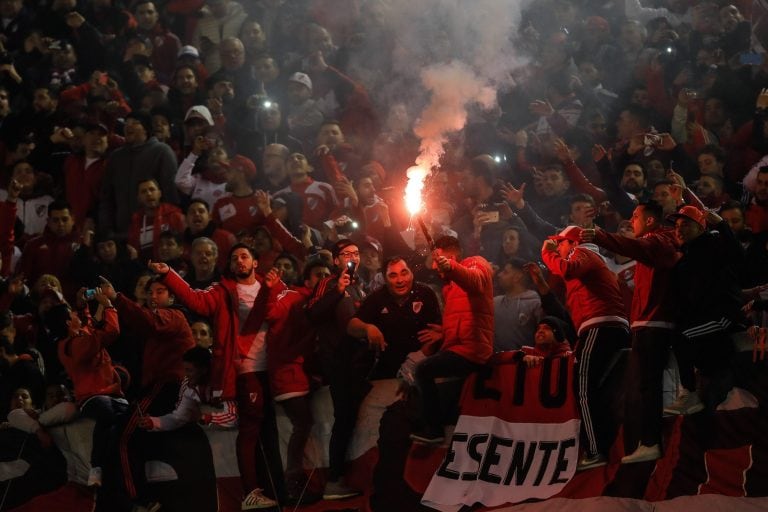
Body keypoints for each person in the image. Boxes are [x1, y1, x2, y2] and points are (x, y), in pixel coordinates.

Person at [149, 244, 283, 510]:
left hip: (276, 369)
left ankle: (275, 488)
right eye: (234, 258)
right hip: (246, 370)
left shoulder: (274, 286)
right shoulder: (222, 291)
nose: (239, 261)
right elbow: (195, 300)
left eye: (244, 256)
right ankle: (252, 492)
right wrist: (168, 275)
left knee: (270, 431)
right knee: (250, 430)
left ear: (255, 262)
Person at [580, 201, 680, 464]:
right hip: (648, 323)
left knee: (646, 386)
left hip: (653, 323)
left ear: (649, 221)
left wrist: (602, 236)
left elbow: (634, 246)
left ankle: (650, 442)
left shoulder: (657, 241)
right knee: (644, 385)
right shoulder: (659, 243)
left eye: (635, 216)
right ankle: (647, 441)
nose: (631, 221)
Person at [541, 225, 629, 470]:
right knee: (595, 388)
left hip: (600, 326)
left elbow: (567, 269)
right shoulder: (592, 259)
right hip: (605, 326)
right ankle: (602, 444)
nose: (558, 247)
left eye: (561, 243)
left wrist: (548, 255)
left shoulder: (584, 253)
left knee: (582, 386)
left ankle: (594, 450)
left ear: (572, 243)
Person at [411, 235, 494, 444]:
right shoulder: (449, 287)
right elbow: (463, 319)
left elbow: (474, 281)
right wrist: (445, 332)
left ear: (452, 256)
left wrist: (450, 267)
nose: (437, 269)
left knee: (422, 370)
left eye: (440, 262)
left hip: (472, 350)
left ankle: (434, 430)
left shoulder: (475, 263)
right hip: (459, 348)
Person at [667, 206, 748, 411]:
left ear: (701, 227)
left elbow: (738, 255)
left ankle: (688, 392)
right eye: (677, 225)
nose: (679, 229)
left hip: (722, 316)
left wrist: (721, 224)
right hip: (705, 322)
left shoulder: (712, 243)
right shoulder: (683, 259)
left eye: (686, 224)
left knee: (681, 335)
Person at [306, 239, 368, 499]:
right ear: (335, 260)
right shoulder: (329, 283)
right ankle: (334, 479)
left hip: (357, 361)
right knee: (343, 418)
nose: (352, 257)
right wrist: (337, 291)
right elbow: (312, 313)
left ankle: (343, 476)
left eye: (355, 253)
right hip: (337, 362)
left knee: (351, 417)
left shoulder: (359, 287)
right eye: (346, 254)